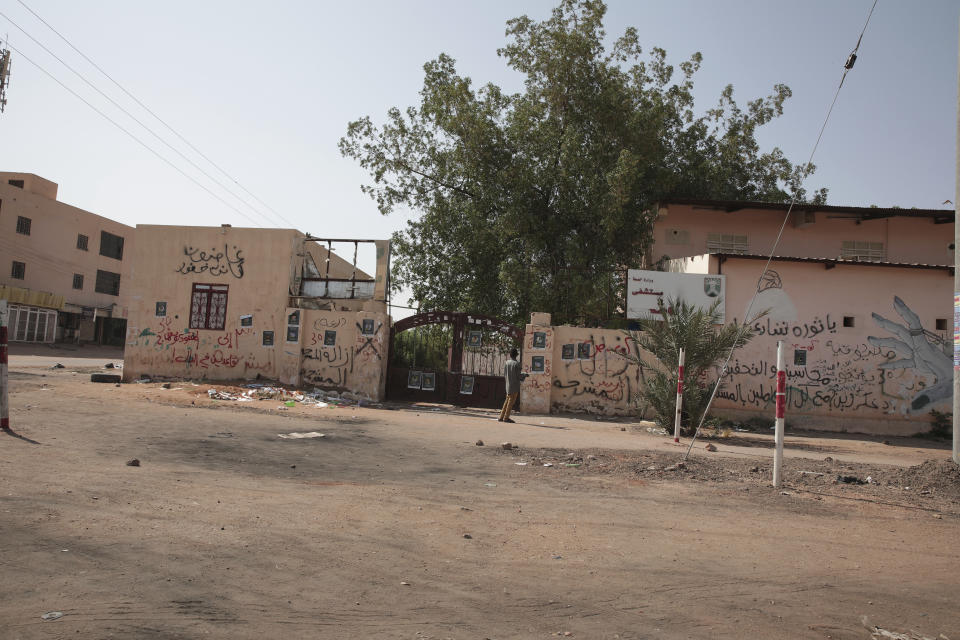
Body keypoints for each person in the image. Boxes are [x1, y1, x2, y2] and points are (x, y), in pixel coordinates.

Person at [499, 348, 525, 423]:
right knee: (510, 402)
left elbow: (506, 373)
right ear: (516, 355)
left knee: (507, 401)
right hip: (514, 385)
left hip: (508, 384)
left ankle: (501, 416)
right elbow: (518, 376)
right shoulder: (517, 364)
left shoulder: (507, 362)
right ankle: (506, 418)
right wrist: (524, 375)